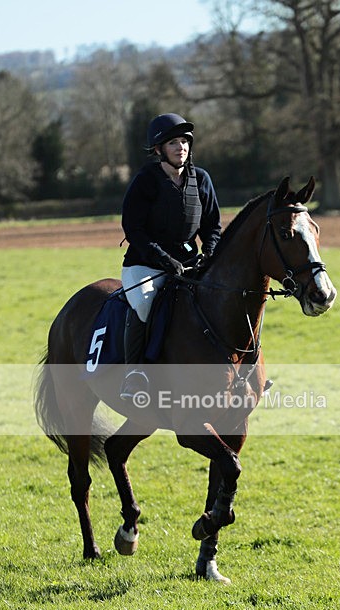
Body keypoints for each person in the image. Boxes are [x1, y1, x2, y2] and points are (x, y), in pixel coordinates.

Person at [120, 112, 222, 400]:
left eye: (185, 142)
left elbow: (213, 225)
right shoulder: (145, 181)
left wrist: (210, 253)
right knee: (145, 302)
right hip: (144, 264)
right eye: (173, 143)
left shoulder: (201, 179)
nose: (181, 148)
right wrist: (165, 260)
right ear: (158, 150)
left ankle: (241, 368)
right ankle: (136, 373)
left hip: (190, 264)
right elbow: (133, 229)